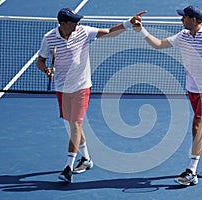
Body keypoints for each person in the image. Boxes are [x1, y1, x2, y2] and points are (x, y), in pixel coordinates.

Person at [133, 5, 202, 186]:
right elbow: (158, 44)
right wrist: (140, 30)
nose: (181, 20)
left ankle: (191, 171)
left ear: (194, 20)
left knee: (198, 126)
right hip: (192, 89)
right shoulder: (182, 36)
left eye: (184, 17)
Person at [37, 8, 145, 183]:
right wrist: (47, 70)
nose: (77, 23)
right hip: (62, 89)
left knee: (74, 126)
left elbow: (109, 32)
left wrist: (128, 23)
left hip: (81, 87)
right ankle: (86, 160)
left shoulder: (83, 32)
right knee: (75, 127)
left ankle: (68, 167)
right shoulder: (49, 38)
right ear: (63, 23)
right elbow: (40, 62)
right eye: (73, 21)